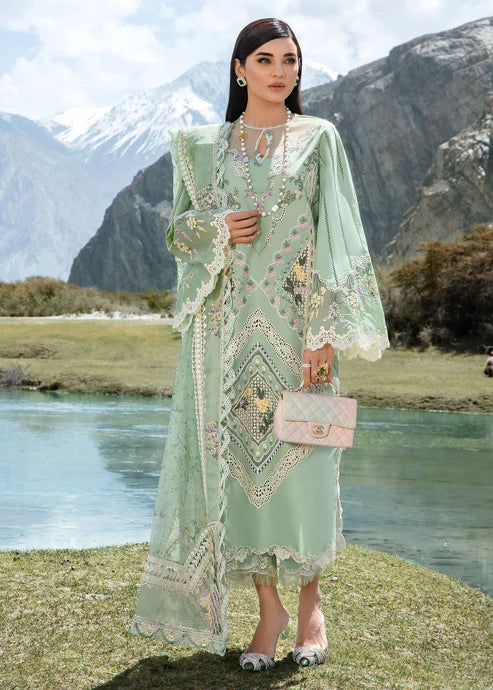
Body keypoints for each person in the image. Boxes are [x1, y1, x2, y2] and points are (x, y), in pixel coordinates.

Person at [130, 17, 389, 672]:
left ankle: (310, 608)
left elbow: (337, 236)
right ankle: (268, 613)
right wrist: (216, 227)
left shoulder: (318, 139)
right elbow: (178, 236)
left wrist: (324, 333)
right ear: (239, 69)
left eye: (290, 60)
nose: (280, 72)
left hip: (299, 335)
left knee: (304, 469)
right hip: (223, 339)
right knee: (239, 478)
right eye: (266, 59)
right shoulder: (199, 147)